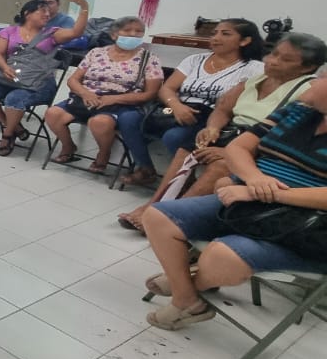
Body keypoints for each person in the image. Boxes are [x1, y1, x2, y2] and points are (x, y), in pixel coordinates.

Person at [141, 71, 327, 330]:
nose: (314, 82)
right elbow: (238, 147)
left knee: (222, 256)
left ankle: (187, 281)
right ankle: (187, 299)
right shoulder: (300, 110)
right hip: (248, 203)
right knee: (158, 217)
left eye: (323, 78)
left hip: (306, 224)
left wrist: (262, 192)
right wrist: (252, 179)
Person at [117, 33, 326, 231]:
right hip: (232, 134)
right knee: (186, 151)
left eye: (286, 60)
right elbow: (223, 108)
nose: (273, 61)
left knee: (221, 166)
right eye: (274, 54)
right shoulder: (258, 78)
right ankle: (152, 207)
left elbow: (282, 138)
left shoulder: (308, 91)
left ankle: (173, 218)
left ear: (307, 67)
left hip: (260, 145)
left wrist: (230, 152)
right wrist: (213, 128)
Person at [117, 18, 266, 186]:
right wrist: (176, 105)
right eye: (214, 33)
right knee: (128, 118)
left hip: (211, 117)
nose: (216, 38)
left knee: (174, 137)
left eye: (225, 34)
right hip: (174, 110)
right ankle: (145, 168)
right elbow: (167, 88)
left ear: (245, 41)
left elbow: (244, 104)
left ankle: (185, 180)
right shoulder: (195, 60)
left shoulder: (255, 69)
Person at [44, 16, 164, 172]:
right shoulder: (97, 53)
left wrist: (113, 99)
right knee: (52, 113)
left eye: (138, 31)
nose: (133, 34)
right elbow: (73, 80)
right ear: (114, 34)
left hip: (120, 103)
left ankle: (104, 153)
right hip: (86, 98)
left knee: (99, 122)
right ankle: (68, 146)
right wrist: (85, 94)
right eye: (127, 31)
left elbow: (150, 94)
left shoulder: (149, 59)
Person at [0, 0, 90, 157]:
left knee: (14, 99)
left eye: (48, 12)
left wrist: (84, 7)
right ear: (27, 13)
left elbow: (77, 32)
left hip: (39, 83)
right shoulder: (9, 31)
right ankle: (15, 127)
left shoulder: (52, 34)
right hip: (10, 78)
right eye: (42, 11)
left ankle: (7, 135)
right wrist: (4, 67)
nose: (47, 14)